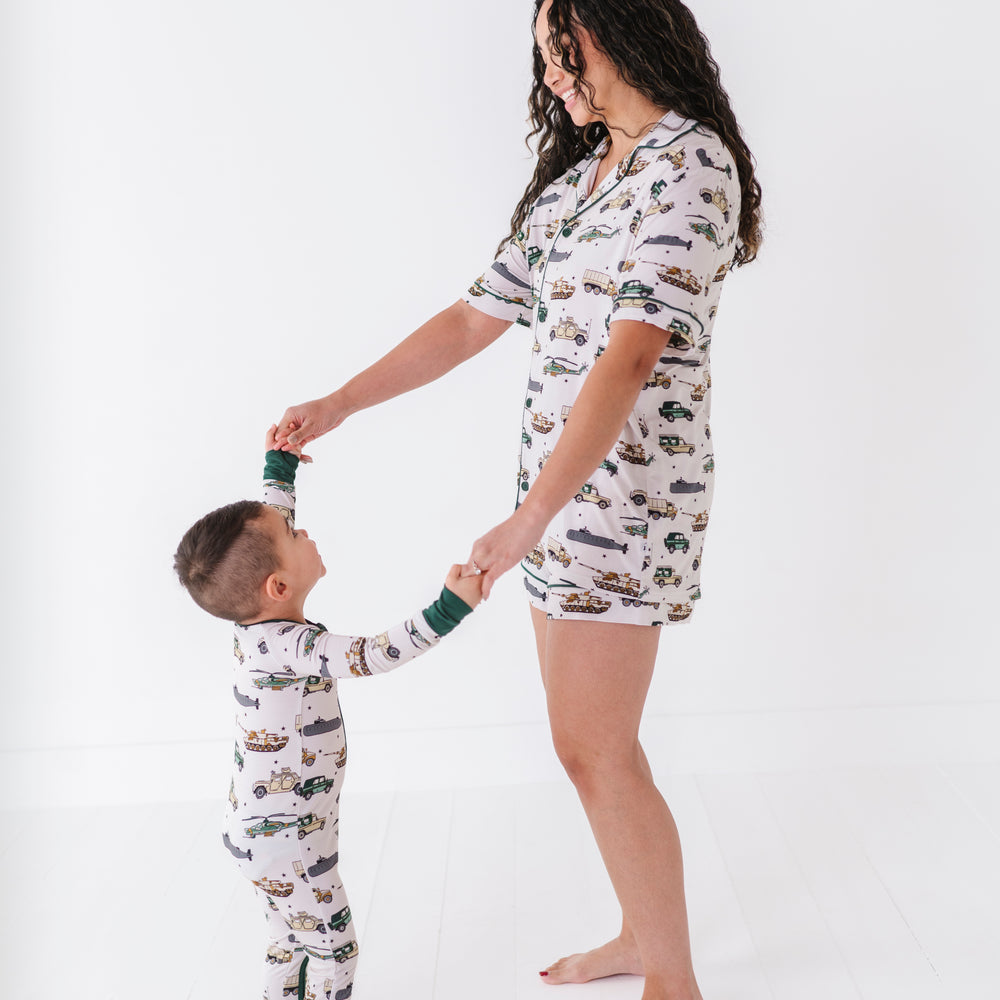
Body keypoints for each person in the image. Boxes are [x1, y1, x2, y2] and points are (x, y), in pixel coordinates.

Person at [275, 2, 762, 997]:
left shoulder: (690, 164)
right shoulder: (577, 183)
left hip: (624, 506)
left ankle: (672, 979)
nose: (552, 74)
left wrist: (532, 517)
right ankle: (642, 935)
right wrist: (340, 403)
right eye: (543, 55)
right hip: (554, 502)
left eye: (563, 50)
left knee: (594, 748)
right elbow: (470, 320)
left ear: (621, 33)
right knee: (590, 747)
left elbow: (631, 358)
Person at [173, 426, 483, 1000]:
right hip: (290, 838)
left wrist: (281, 466)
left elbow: (269, 524)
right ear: (278, 585)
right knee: (334, 951)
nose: (303, 530)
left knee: (287, 940)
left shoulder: (253, 627)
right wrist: (448, 609)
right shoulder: (296, 647)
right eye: (294, 535)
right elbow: (373, 654)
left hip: (260, 831)